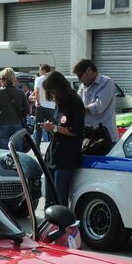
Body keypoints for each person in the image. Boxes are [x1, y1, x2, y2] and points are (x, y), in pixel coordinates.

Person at [39, 70, 85, 207]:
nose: (52, 96)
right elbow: (58, 124)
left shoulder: (75, 103)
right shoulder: (60, 103)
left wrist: (53, 128)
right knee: (49, 200)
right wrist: (51, 126)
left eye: (53, 92)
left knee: (60, 200)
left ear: (59, 88)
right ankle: (49, 225)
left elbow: (76, 131)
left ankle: (62, 227)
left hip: (67, 156)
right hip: (53, 154)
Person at [73, 58, 117, 140]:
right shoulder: (83, 86)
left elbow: (98, 107)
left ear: (89, 70)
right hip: (89, 136)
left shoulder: (107, 82)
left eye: (80, 75)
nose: (79, 79)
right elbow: (77, 102)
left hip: (105, 137)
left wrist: (79, 108)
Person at [0, 67, 29, 150]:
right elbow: (27, 109)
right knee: (18, 152)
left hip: (2, 123)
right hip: (17, 124)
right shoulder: (20, 92)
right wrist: (20, 116)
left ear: (4, 79)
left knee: (3, 153)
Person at [33, 64, 55, 143]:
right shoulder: (53, 80)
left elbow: (37, 91)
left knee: (39, 128)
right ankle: (53, 146)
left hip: (41, 107)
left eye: (40, 70)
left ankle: (37, 148)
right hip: (52, 107)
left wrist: (38, 102)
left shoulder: (39, 79)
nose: (39, 72)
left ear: (44, 71)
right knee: (53, 128)